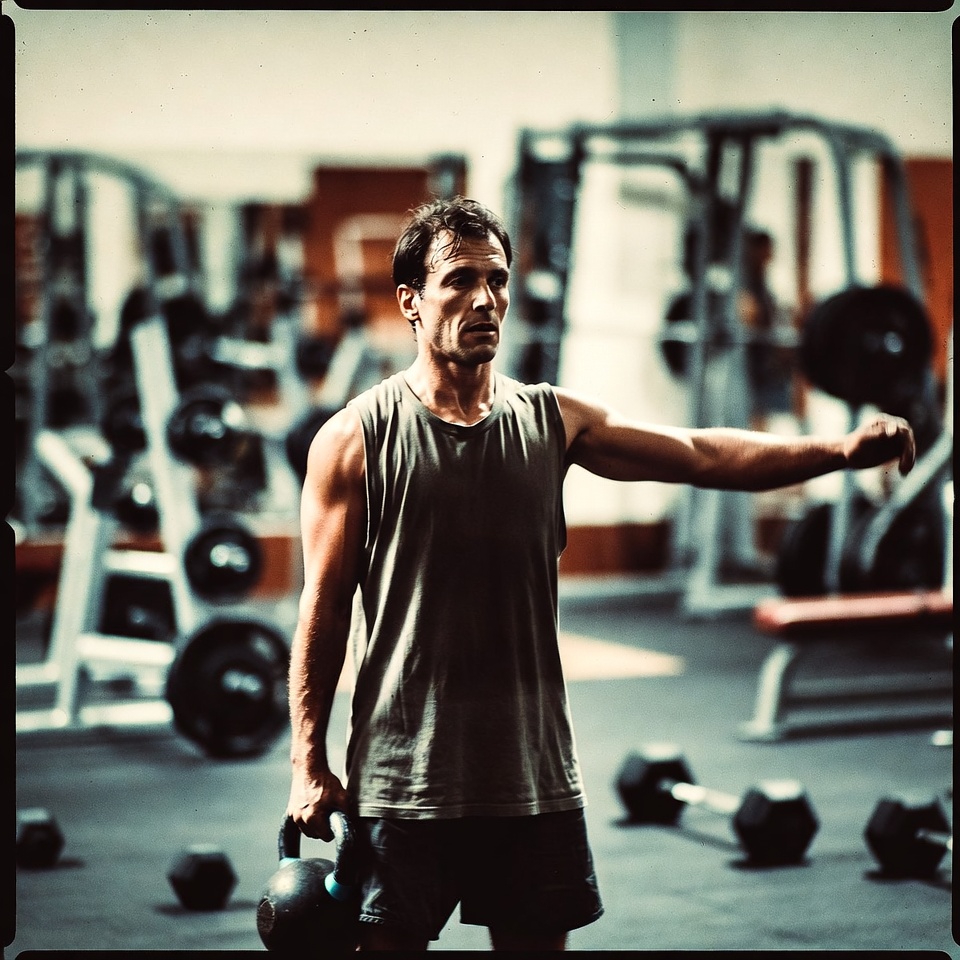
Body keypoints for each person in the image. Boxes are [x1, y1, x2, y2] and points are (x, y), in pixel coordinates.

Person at [286, 196, 915, 952]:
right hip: (402, 780)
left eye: (498, 279)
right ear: (410, 301)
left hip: (533, 775)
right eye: (458, 280)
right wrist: (308, 763)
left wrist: (838, 451)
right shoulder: (356, 439)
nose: (485, 299)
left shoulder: (553, 420)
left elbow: (701, 453)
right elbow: (321, 610)